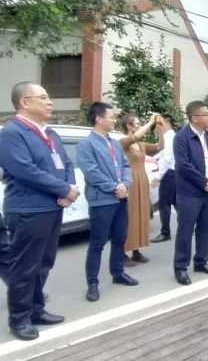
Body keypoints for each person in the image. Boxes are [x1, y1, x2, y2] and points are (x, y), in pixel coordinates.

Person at [0, 82, 79, 340]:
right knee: (25, 267)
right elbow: (25, 170)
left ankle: (36, 309)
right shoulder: (12, 133)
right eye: (43, 97)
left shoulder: (50, 132)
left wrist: (70, 187)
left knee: (44, 262)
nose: (50, 102)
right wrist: (63, 189)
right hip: (28, 208)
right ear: (25, 102)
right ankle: (19, 318)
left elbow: (66, 163)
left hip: (52, 207)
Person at [78, 102, 137, 303]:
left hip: (120, 198)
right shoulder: (86, 145)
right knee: (98, 243)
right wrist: (114, 187)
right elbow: (91, 172)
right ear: (99, 119)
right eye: (110, 117)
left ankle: (118, 273)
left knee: (120, 238)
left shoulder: (114, 143)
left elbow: (126, 166)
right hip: (102, 201)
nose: (113, 120)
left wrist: (125, 184)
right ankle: (92, 283)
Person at [173, 101, 208, 286]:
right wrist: (204, 182)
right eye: (206, 114)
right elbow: (183, 165)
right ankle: (180, 267)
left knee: (206, 228)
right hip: (190, 193)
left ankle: (201, 261)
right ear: (195, 118)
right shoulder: (182, 137)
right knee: (186, 231)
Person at [119, 113, 164, 265]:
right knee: (129, 216)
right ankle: (121, 252)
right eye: (137, 124)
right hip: (130, 181)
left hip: (142, 181)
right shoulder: (123, 142)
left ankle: (136, 250)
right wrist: (150, 122)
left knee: (140, 215)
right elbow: (134, 137)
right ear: (128, 126)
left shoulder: (141, 144)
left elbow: (160, 147)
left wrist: (160, 131)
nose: (139, 126)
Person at [151, 114, 178, 242]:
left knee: (164, 204)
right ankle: (190, 225)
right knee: (176, 202)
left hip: (168, 173)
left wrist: (158, 177)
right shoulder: (172, 136)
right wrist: (151, 158)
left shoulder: (168, 138)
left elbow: (166, 159)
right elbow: (162, 154)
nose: (155, 127)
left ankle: (165, 232)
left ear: (163, 124)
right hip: (174, 173)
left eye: (156, 124)